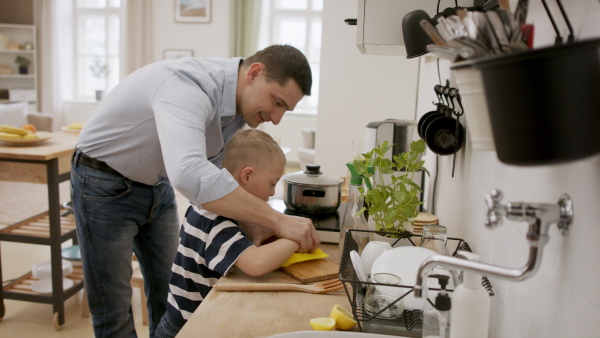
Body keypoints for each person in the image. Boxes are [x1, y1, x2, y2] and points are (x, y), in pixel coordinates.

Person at [70, 44, 320, 337]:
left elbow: (216, 178)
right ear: (254, 73)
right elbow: (189, 173)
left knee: (171, 298)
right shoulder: (188, 86)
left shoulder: (238, 111)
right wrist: (278, 221)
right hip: (101, 181)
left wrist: (259, 226)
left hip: (156, 184)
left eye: (284, 110)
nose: (276, 118)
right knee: (114, 312)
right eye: (277, 102)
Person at [154, 129, 299, 337]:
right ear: (247, 175)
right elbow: (256, 264)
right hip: (185, 329)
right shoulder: (216, 222)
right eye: (272, 183)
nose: (272, 192)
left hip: (185, 320)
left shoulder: (202, 206)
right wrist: (294, 237)